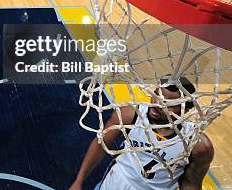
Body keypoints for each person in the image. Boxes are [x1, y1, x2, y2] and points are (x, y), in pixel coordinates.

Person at [69, 78, 214, 190]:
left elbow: (190, 185)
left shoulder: (198, 145)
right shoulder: (130, 114)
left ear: (184, 111)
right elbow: (101, 144)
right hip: (114, 184)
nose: (156, 104)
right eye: (156, 95)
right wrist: (78, 181)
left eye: (166, 103)